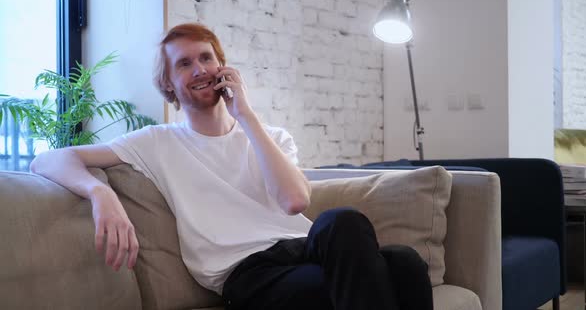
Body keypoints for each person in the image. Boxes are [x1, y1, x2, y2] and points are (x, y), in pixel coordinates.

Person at [30, 23, 433, 310]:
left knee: (391, 252)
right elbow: (47, 158)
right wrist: (100, 192)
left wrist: (247, 117)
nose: (199, 69)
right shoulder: (158, 142)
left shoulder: (268, 135)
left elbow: (294, 201)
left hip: (304, 250)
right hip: (248, 275)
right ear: (169, 84)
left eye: (206, 58)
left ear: (224, 68)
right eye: (184, 64)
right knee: (376, 278)